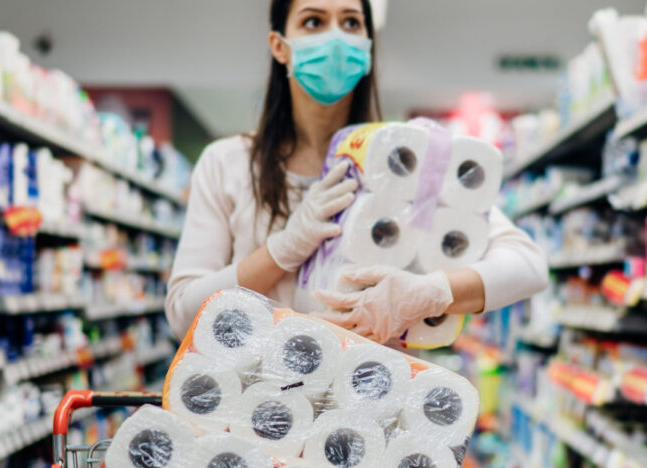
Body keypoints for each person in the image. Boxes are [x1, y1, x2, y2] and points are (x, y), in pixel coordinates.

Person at [166, 0, 548, 344]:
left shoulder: (407, 160)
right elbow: (184, 315)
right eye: (313, 22)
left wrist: (428, 292)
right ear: (280, 46)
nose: (335, 38)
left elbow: (528, 266)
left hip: (370, 403)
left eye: (351, 23)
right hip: (255, 407)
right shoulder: (227, 163)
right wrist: (282, 251)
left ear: (367, 48)